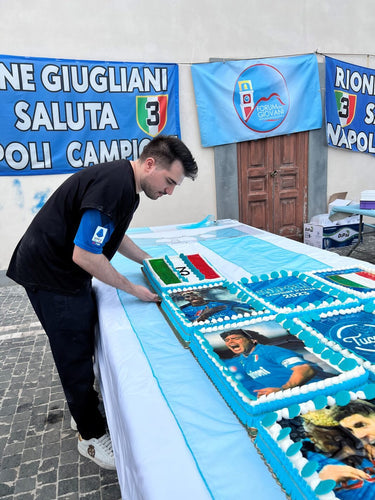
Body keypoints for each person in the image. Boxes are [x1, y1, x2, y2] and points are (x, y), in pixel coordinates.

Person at [6, 135, 198, 470]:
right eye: (169, 182)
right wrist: (132, 289)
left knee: (85, 331)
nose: (169, 192)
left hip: (60, 268)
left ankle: (83, 410)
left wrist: (149, 262)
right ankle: (90, 436)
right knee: (75, 350)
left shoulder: (126, 185)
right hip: (51, 274)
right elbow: (85, 254)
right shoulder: (115, 187)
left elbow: (114, 234)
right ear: (150, 164)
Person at [220, 329, 327, 398]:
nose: (230, 341)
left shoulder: (269, 351)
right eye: (227, 340)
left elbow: (305, 369)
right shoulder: (243, 360)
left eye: (236, 338)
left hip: (319, 390)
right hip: (292, 396)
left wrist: (282, 390)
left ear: (253, 341)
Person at [175, 290, 254, 322]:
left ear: (202, 295)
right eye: (188, 296)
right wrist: (205, 314)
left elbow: (248, 305)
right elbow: (190, 325)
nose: (192, 298)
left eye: (195, 295)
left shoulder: (220, 302)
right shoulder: (183, 310)